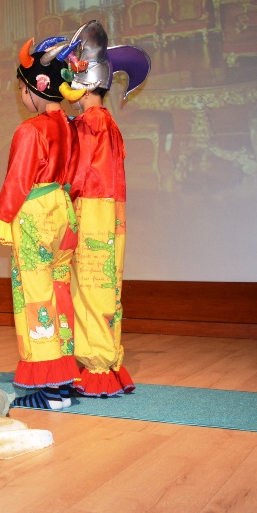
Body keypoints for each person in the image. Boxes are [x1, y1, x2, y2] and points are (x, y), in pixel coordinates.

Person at [0, 34, 83, 410]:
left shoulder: (30, 130)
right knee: (59, 291)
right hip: (63, 211)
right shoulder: (70, 127)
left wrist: (1, 218)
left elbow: (18, 180)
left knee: (35, 294)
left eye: (22, 89)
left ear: (34, 89)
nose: (22, 96)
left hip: (37, 213)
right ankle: (65, 382)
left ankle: (51, 389)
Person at [65, 20, 151, 397]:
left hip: (91, 213)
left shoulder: (90, 124)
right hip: (110, 215)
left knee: (89, 289)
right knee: (105, 289)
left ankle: (97, 367)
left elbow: (78, 175)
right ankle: (107, 361)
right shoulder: (108, 122)